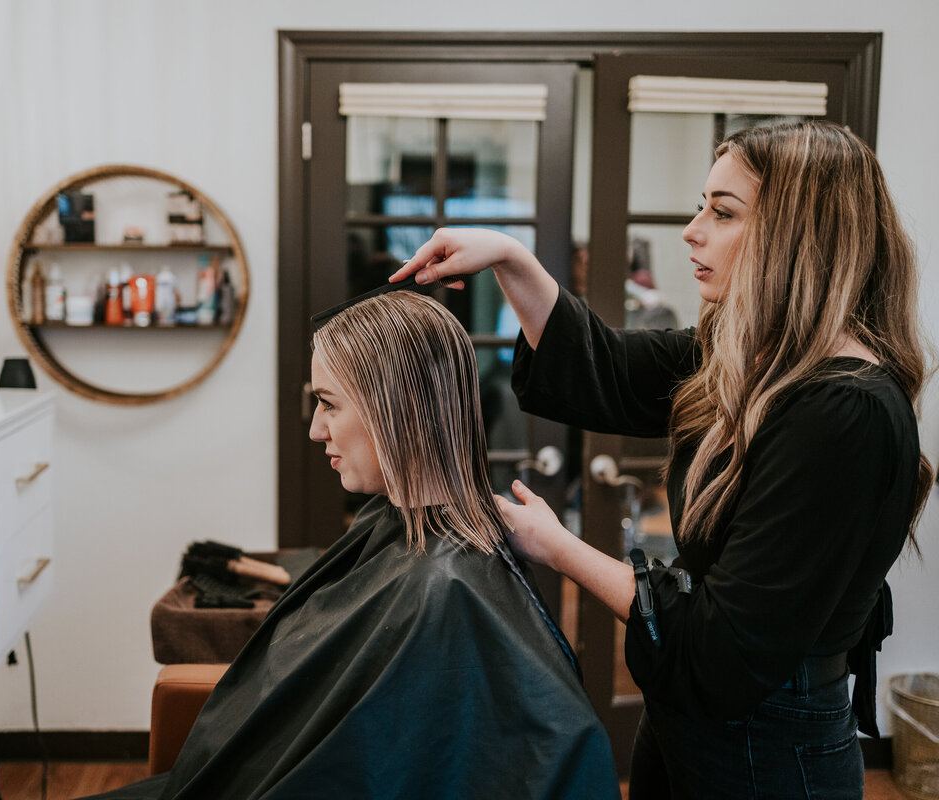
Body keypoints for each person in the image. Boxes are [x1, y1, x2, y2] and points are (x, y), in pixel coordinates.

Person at [393, 120, 932, 799]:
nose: (691, 230)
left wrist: (558, 547)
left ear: (799, 237)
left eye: (723, 212)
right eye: (702, 205)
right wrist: (511, 258)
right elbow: (607, 371)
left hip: (767, 745)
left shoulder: (842, 413)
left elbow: (720, 649)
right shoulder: (745, 362)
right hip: (693, 719)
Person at [83, 291, 619, 800]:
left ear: (396, 408)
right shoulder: (398, 531)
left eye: (329, 404)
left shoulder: (444, 586)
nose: (316, 430)